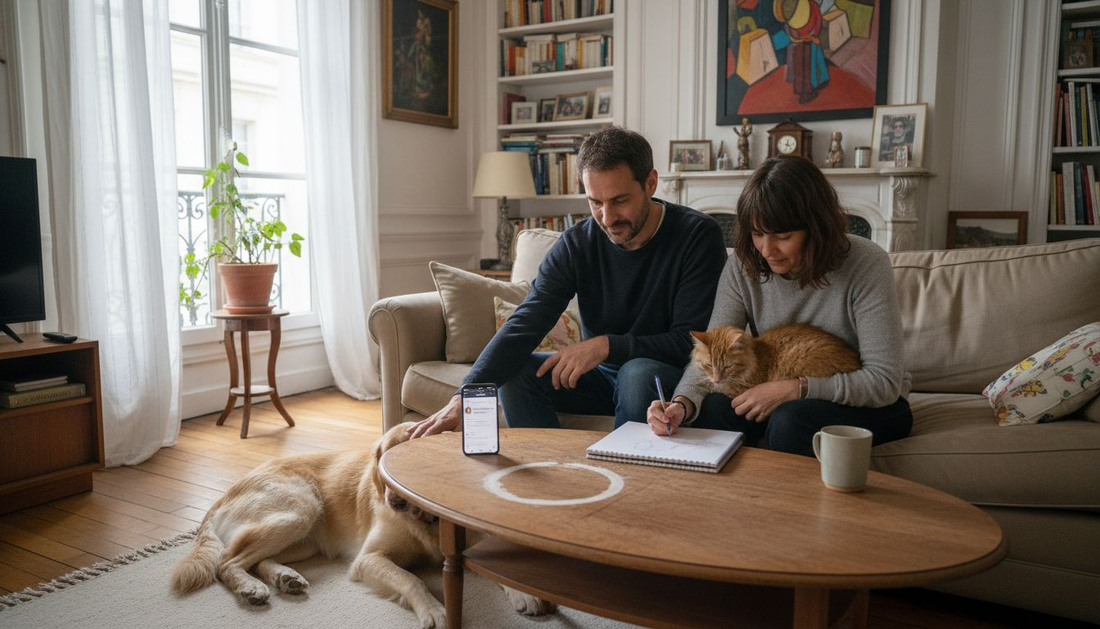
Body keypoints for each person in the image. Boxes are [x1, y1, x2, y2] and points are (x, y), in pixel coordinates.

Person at [405, 127, 727, 439]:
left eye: (619, 200)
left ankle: (625, 483)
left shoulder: (697, 236)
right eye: (595, 202)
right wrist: (468, 393)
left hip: (662, 381)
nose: (607, 217)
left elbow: (691, 341)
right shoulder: (578, 244)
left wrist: (606, 345)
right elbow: (528, 318)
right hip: (601, 378)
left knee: (637, 371)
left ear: (651, 183)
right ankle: (551, 476)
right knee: (516, 371)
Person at [645, 156, 913, 457]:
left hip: (868, 404)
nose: (767, 250)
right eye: (757, 234)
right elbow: (711, 349)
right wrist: (682, 404)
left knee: (790, 420)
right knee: (714, 409)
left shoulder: (867, 263)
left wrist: (796, 389)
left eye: (783, 236)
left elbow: (884, 383)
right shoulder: (742, 266)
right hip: (778, 389)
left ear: (817, 227)